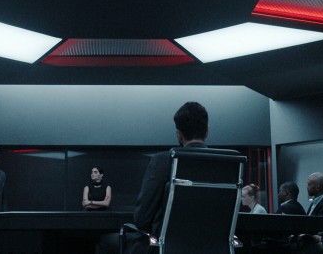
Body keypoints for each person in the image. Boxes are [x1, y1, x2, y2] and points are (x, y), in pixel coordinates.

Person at [97, 101, 232, 254]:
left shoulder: (163, 161)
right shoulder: (227, 165)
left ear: (179, 134)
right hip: (213, 248)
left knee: (106, 241)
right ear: (207, 131)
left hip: (164, 248)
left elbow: (142, 220)